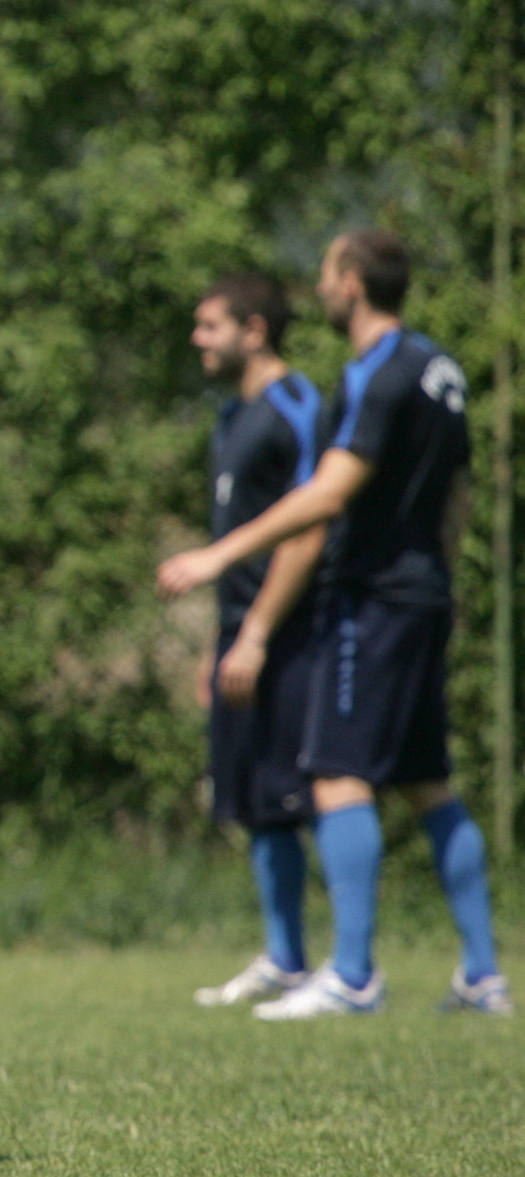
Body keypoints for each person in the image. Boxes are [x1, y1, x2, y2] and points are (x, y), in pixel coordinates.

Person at [158, 231, 508, 1018]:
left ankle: (351, 975)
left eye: (325, 272)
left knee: (335, 774)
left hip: (371, 596)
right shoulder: (439, 369)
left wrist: (217, 560)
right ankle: (482, 976)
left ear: (349, 283)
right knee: (427, 782)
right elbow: (453, 494)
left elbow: (326, 496)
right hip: (422, 593)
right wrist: (441, 581)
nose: (318, 285)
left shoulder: (371, 372)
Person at [181, 273, 327, 1008]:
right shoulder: (228, 413)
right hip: (242, 634)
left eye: (209, 325)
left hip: (294, 631)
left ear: (254, 330)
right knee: (257, 800)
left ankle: (350, 964)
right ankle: (285, 956)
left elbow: (310, 523)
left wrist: (261, 632)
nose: (196, 339)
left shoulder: (294, 406)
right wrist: (224, 637)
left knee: (316, 792)